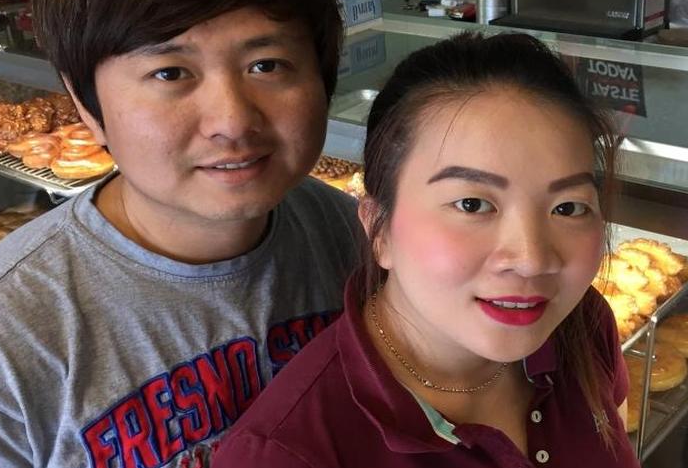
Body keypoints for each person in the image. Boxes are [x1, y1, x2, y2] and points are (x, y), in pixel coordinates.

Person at [0, 0, 361, 468]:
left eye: (266, 65)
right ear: (86, 104)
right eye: (171, 73)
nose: (232, 121)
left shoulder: (350, 237)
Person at [213, 32, 640, 467]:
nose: (532, 259)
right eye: (472, 204)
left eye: (568, 207)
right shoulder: (284, 454)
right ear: (379, 228)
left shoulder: (582, 326)